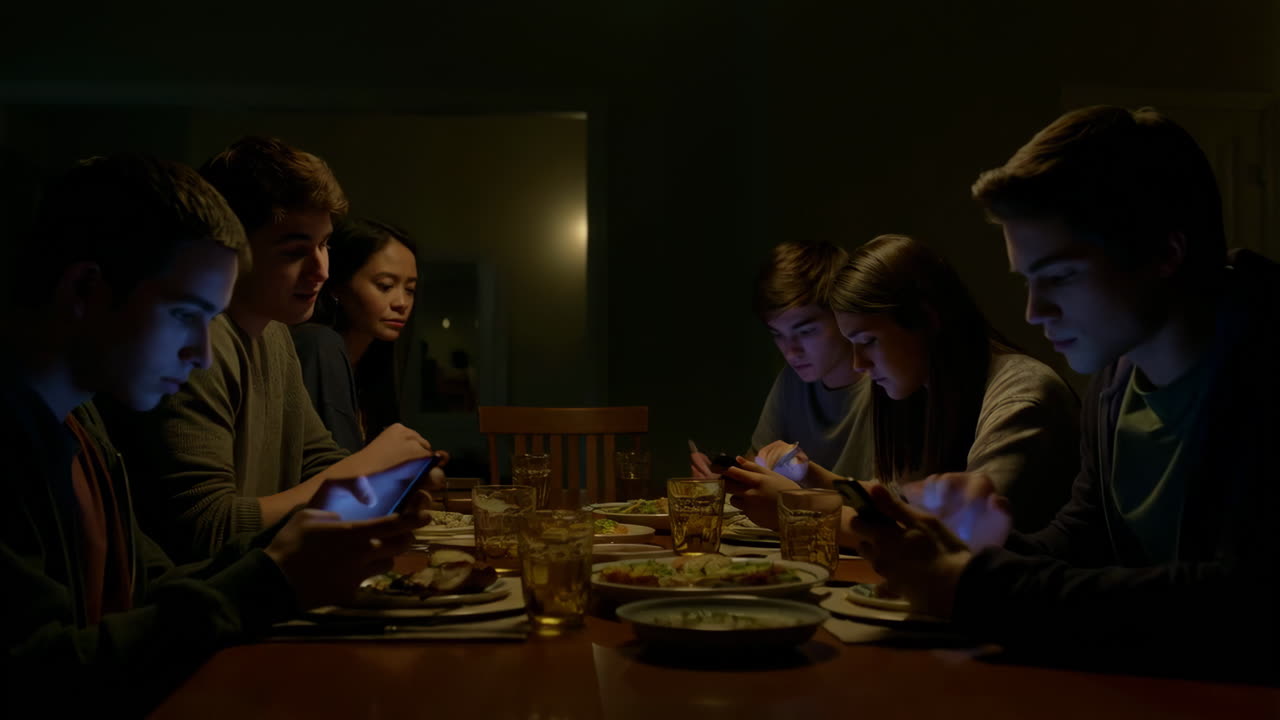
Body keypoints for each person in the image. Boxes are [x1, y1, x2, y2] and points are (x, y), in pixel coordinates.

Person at [847, 106, 1278, 681]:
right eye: (1027, 280)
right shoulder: (1116, 379)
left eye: (1062, 276)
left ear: (1165, 254)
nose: (1034, 312)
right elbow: (1085, 539)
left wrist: (975, 587)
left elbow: (1241, 603)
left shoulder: (1264, 362)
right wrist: (971, 546)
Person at [0, 154, 427, 715]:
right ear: (85, 288)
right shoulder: (13, 438)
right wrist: (275, 579)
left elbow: (151, 584)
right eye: (185, 314)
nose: (203, 352)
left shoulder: (82, 426)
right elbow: (43, 682)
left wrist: (300, 550)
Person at [102, 137, 439, 563]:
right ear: (230, 249)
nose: (321, 269)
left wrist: (389, 488)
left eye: (325, 245)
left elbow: (317, 461)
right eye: (296, 250)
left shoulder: (276, 333)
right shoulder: (191, 347)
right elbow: (205, 530)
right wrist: (364, 469)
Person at [729, 235, 1079, 533]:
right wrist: (811, 476)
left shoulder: (1021, 395)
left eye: (867, 341)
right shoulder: (927, 392)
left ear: (927, 319)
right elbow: (897, 500)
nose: (858, 364)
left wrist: (793, 512)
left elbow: (958, 535)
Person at [694, 241, 875, 483]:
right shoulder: (793, 380)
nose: (790, 352)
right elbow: (757, 464)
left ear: (844, 315)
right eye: (778, 334)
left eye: (806, 331)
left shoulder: (886, 385)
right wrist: (723, 479)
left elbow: (890, 505)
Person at [291, 217, 422, 452]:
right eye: (385, 285)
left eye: (410, 290)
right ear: (338, 285)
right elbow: (335, 470)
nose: (402, 303)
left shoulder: (372, 362)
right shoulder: (317, 344)